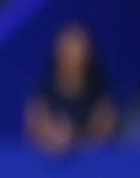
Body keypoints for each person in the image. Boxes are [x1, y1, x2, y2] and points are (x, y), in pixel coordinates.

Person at [24, 21, 116, 155]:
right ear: (57, 52)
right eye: (67, 49)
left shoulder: (102, 103)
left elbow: (102, 138)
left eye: (77, 48)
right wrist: (49, 135)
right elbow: (33, 134)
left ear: (88, 53)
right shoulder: (40, 101)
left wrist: (73, 137)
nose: (72, 55)